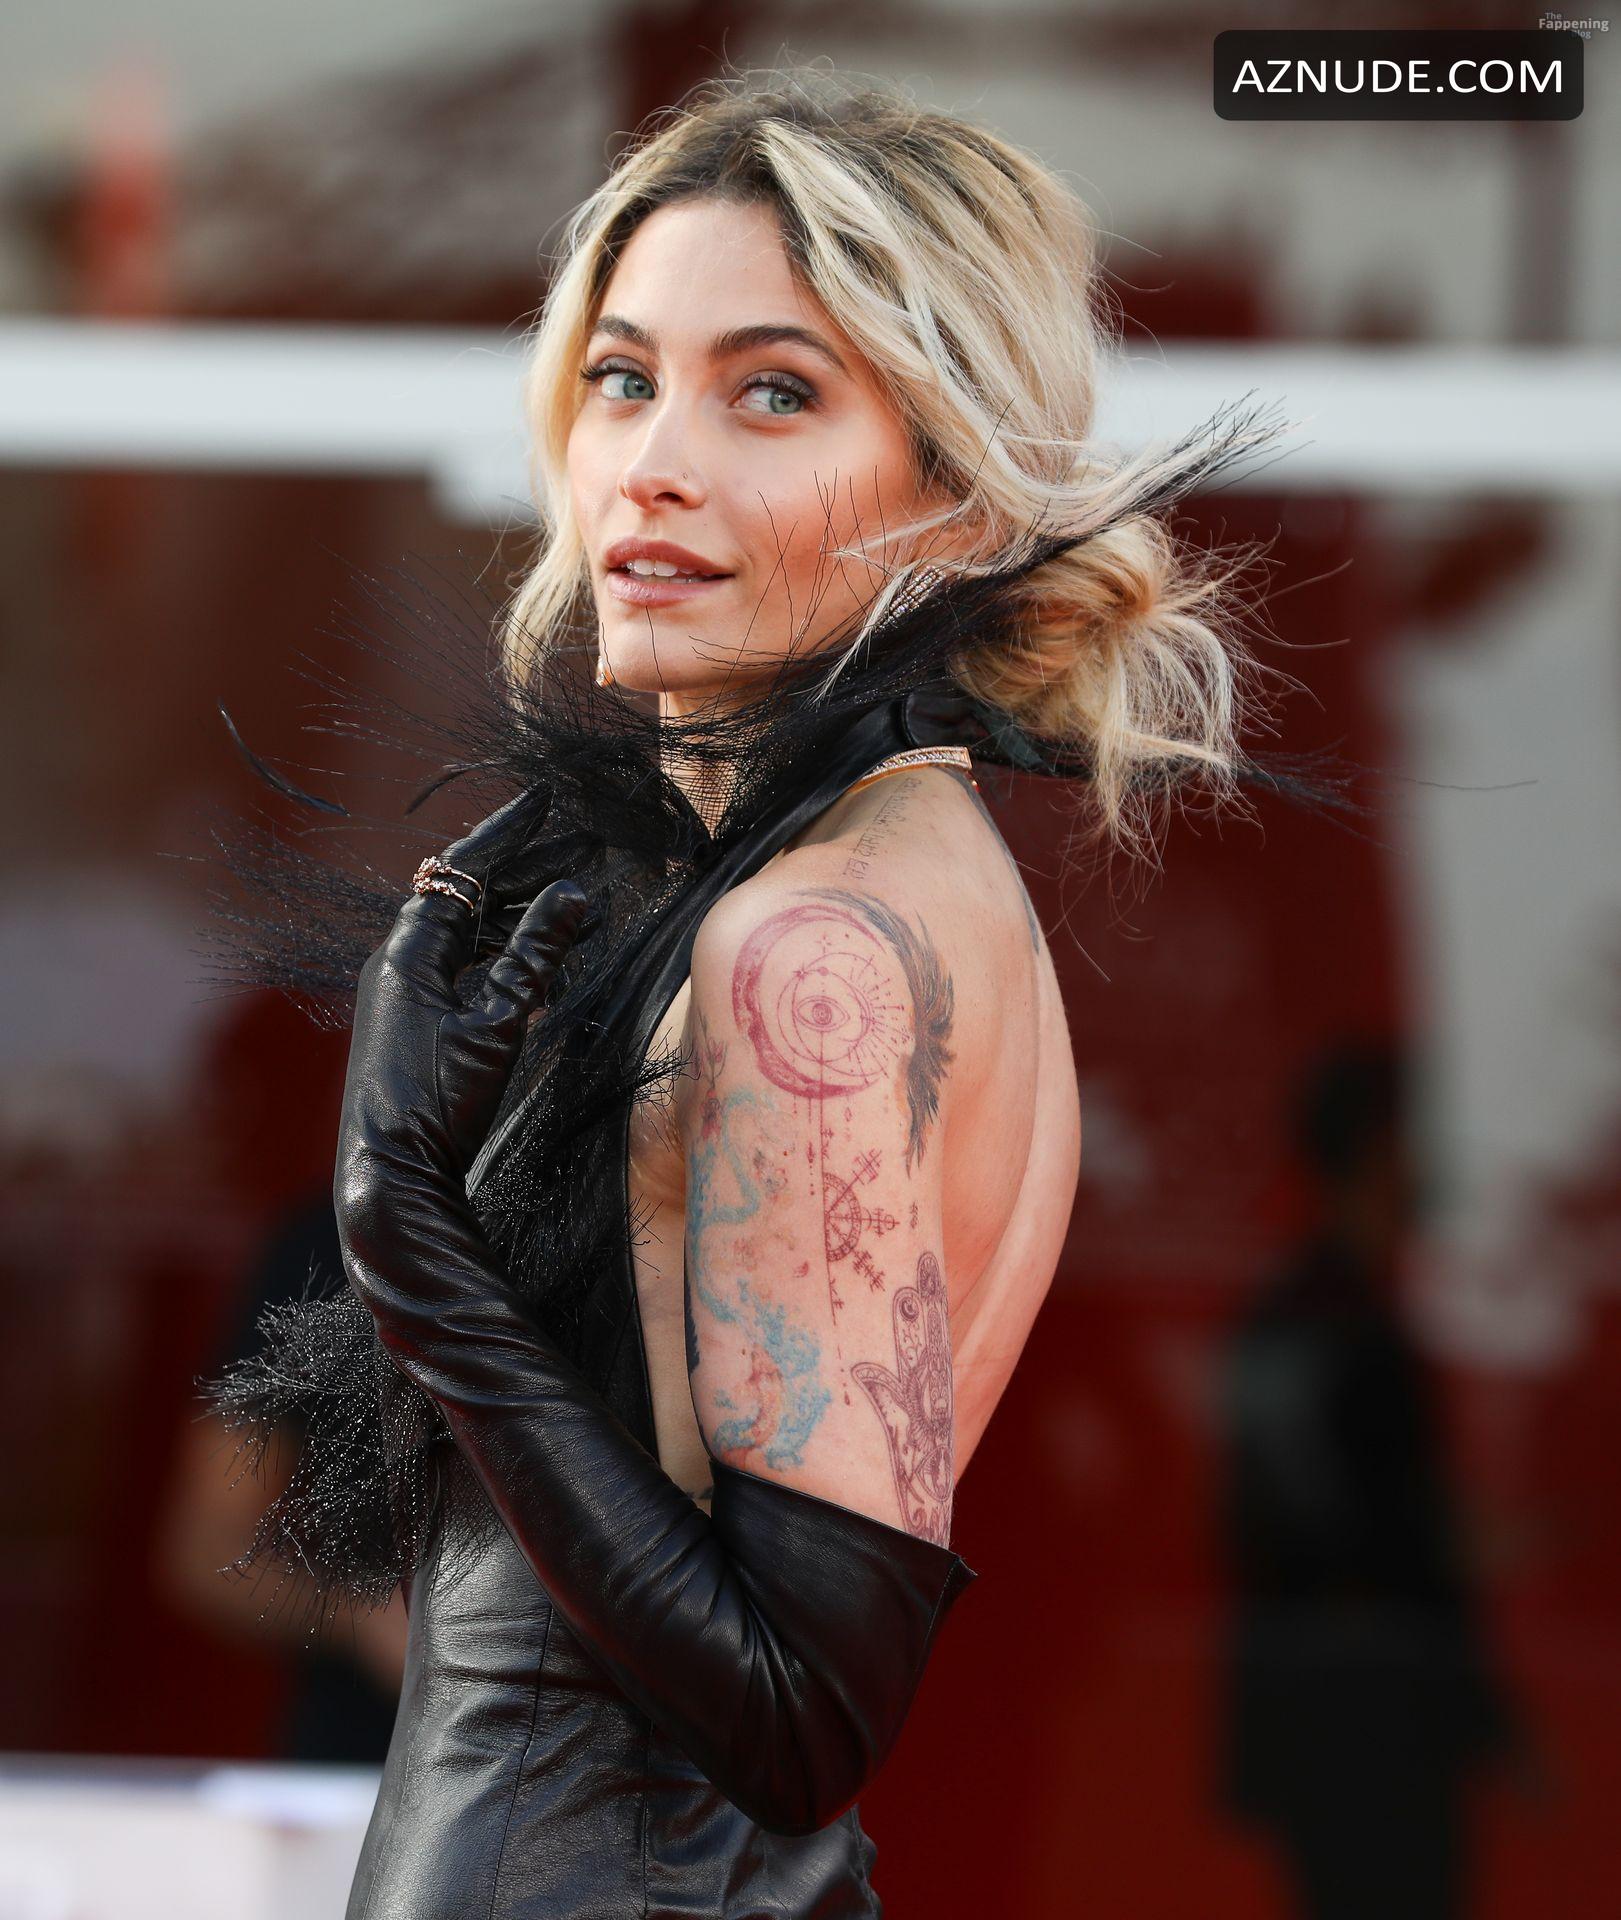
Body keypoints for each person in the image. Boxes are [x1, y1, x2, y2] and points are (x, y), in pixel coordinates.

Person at [197, 65, 1362, 1918]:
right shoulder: (890, 888)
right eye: (621, 377)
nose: (653, 460)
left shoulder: (807, 952)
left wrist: (404, 1227)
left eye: (772, 392)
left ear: (959, 498)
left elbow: (805, 1712)